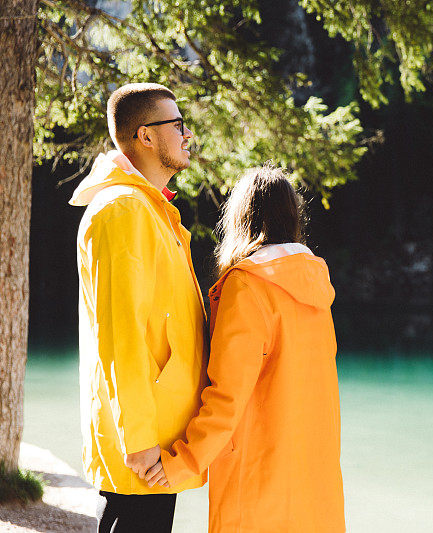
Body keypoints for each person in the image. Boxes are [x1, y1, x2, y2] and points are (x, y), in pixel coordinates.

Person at [143, 164, 345, 532]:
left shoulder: (248, 287)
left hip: (257, 476)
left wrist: (182, 463)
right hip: (314, 477)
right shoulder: (315, 283)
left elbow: (227, 397)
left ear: (240, 218)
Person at [70, 83, 208, 532]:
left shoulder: (148, 209)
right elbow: (120, 336)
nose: (187, 136)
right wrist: (139, 437)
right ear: (145, 136)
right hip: (143, 443)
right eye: (178, 125)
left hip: (159, 434)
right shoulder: (123, 211)